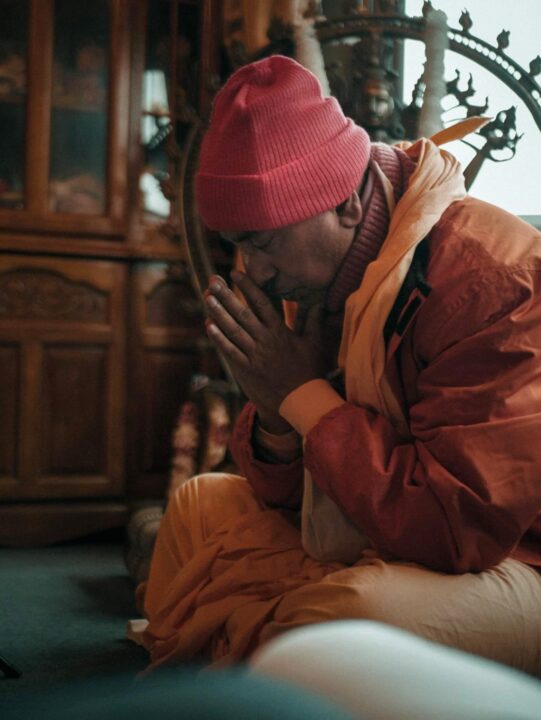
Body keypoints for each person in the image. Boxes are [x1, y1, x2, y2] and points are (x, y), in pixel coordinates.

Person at [135, 55, 541, 677]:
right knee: (196, 508)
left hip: (514, 561)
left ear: (349, 203)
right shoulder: (326, 271)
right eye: (237, 247)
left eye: (262, 243)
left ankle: (246, 664)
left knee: (350, 619)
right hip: (394, 531)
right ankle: (260, 669)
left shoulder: (489, 282)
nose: (253, 274)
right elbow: (284, 497)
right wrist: (275, 413)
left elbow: (456, 530)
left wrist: (300, 394)